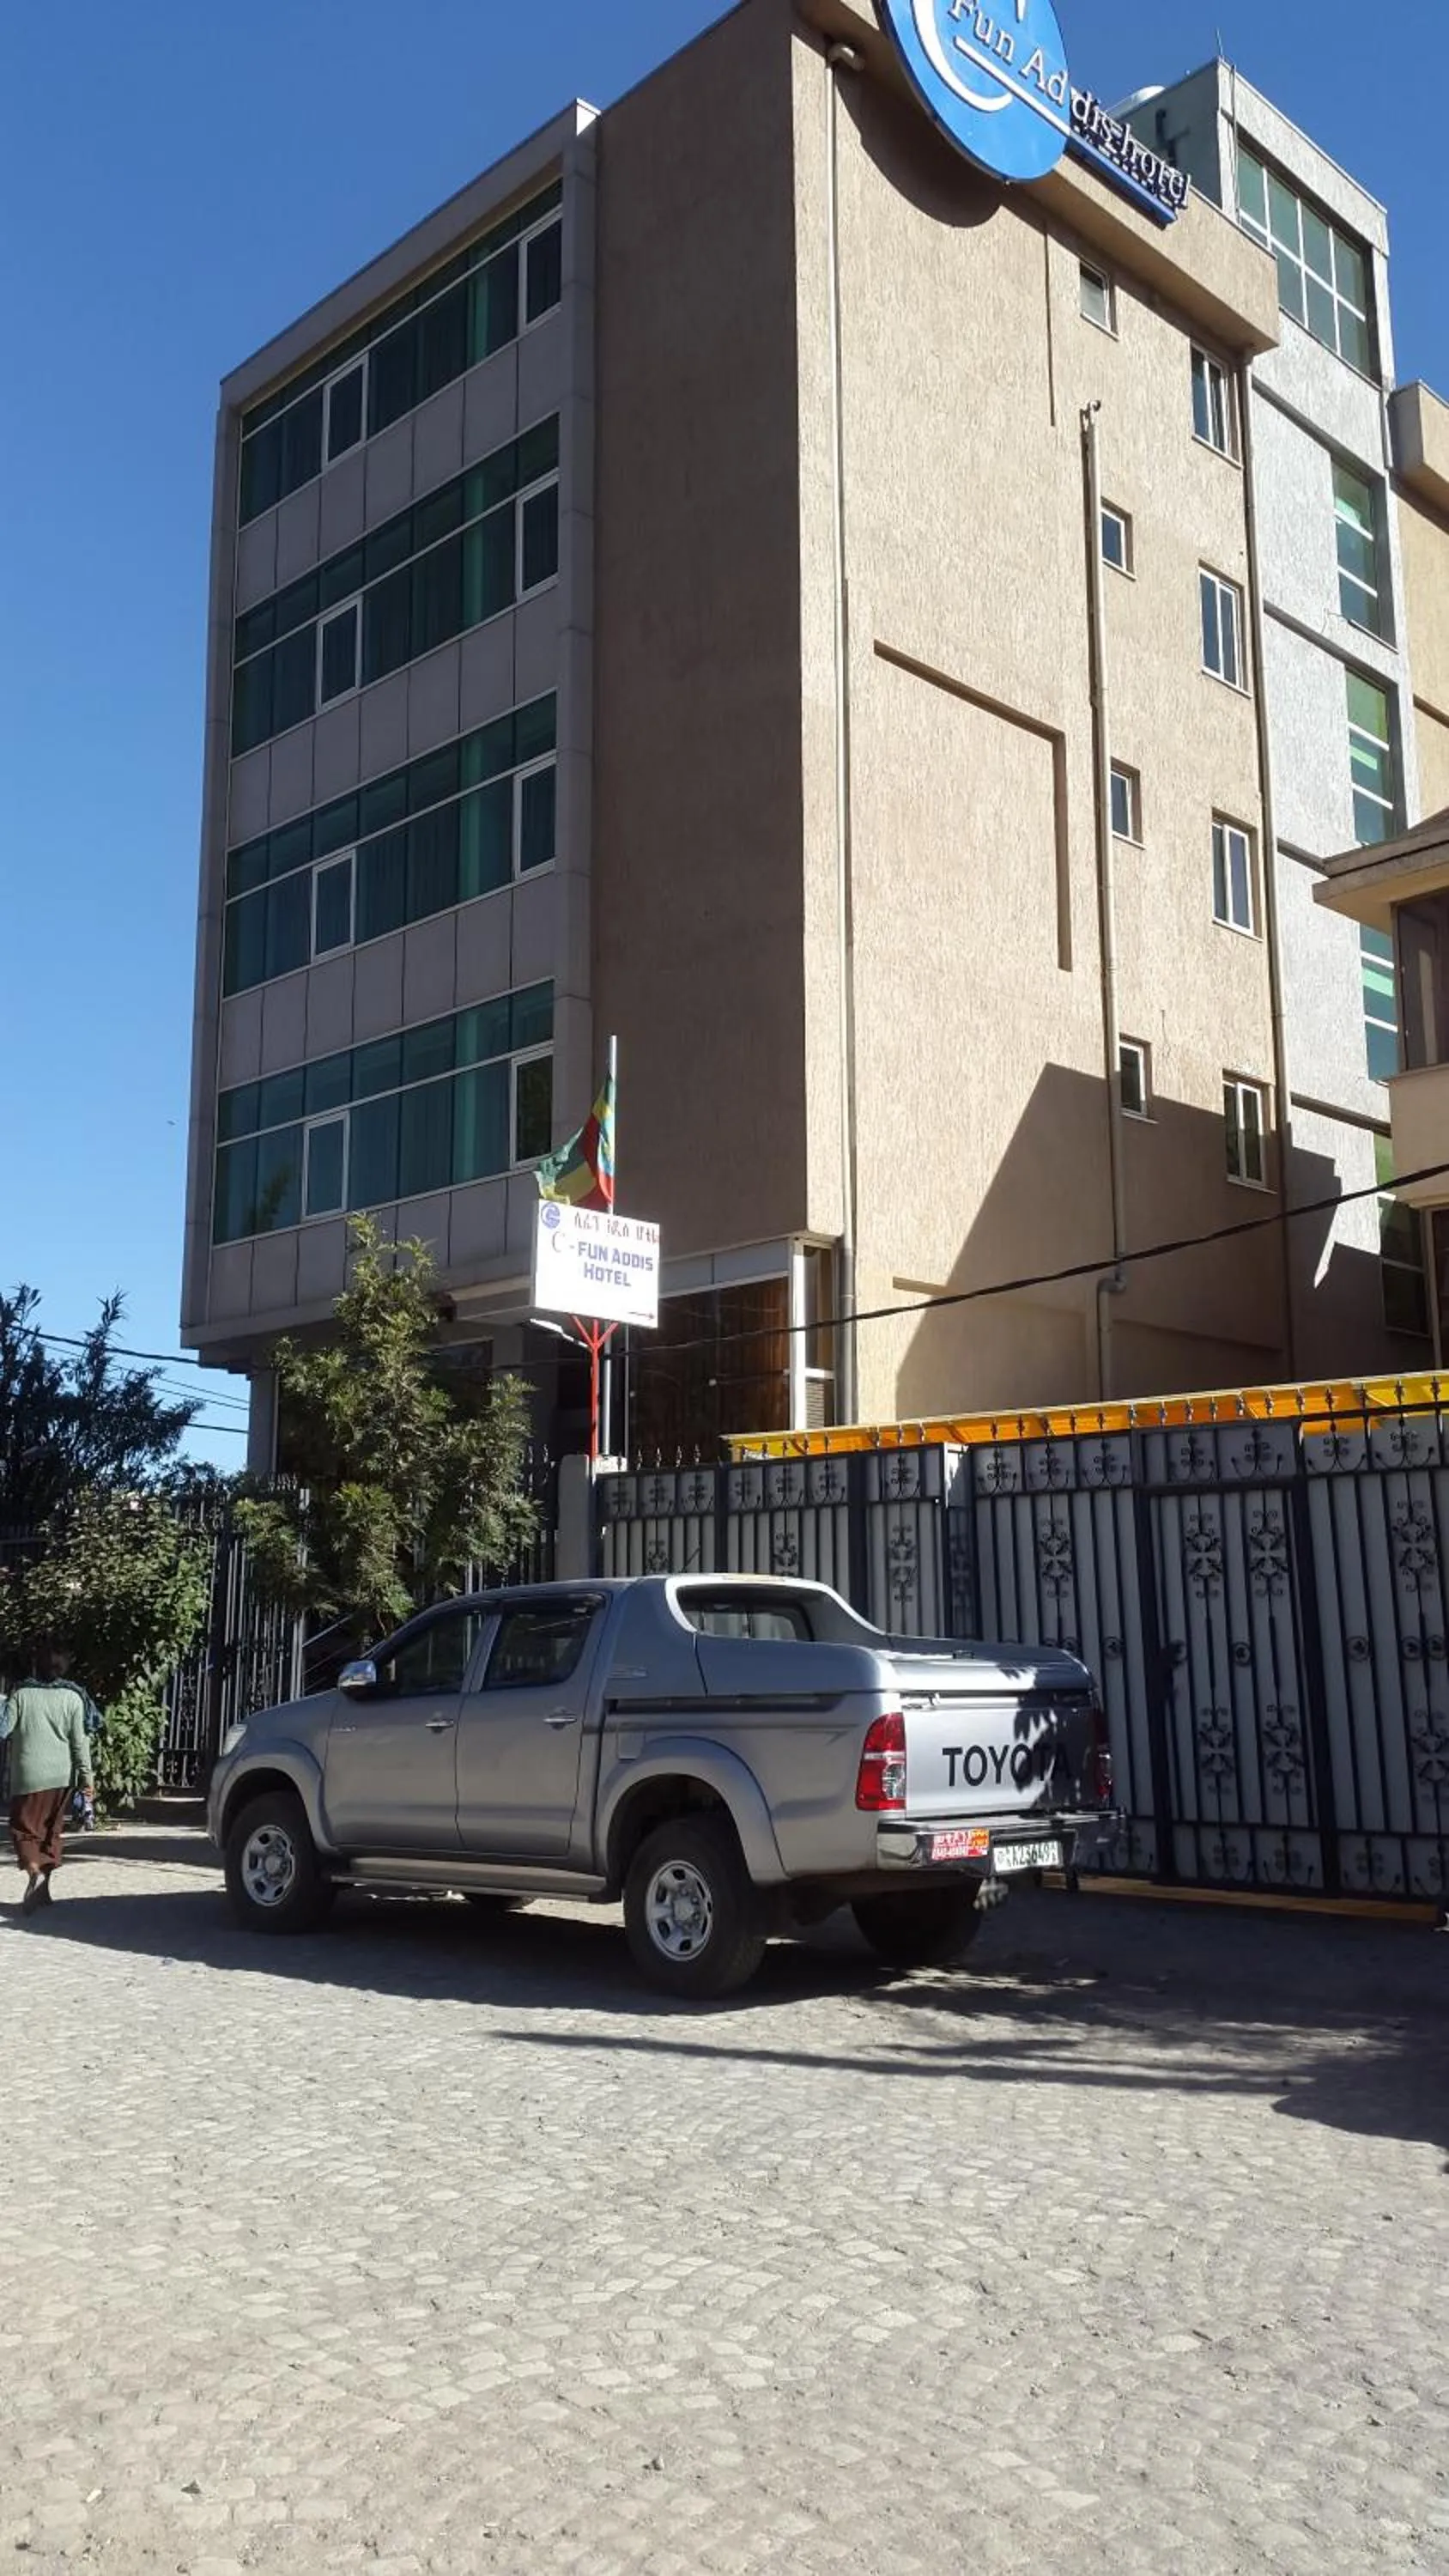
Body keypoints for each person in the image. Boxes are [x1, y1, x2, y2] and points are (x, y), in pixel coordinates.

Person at [2, 1639, 94, 1913]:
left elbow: (4, 1728)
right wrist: (86, 1779)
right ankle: (44, 1889)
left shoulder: (21, 1695)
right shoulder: (74, 1698)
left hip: (29, 1775)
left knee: (24, 1828)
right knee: (52, 1831)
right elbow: (80, 1743)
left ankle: (34, 1872)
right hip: (62, 1776)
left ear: (36, 1666)